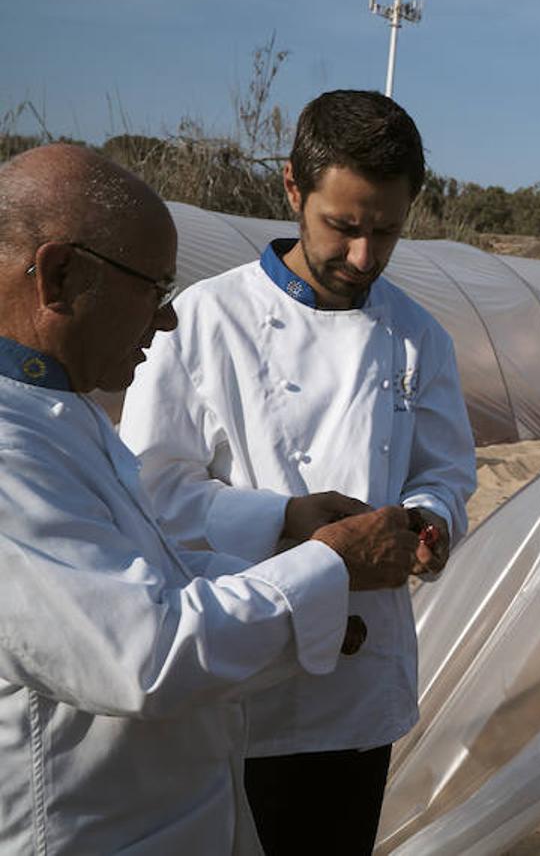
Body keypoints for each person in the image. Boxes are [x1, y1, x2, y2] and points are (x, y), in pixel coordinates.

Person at [0, 143, 423, 854]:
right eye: (151, 288)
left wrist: (318, 598)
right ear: (60, 275)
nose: (163, 320)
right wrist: (324, 565)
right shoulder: (12, 453)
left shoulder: (61, 414)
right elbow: (147, 647)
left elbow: (149, 572)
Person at [120, 89, 477, 854]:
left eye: (386, 232)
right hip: (238, 683)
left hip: (359, 691)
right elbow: (152, 493)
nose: (363, 257)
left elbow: (446, 472)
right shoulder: (201, 323)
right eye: (343, 227)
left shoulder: (419, 337)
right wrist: (284, 520)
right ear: (292, 188)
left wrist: (430, 521)